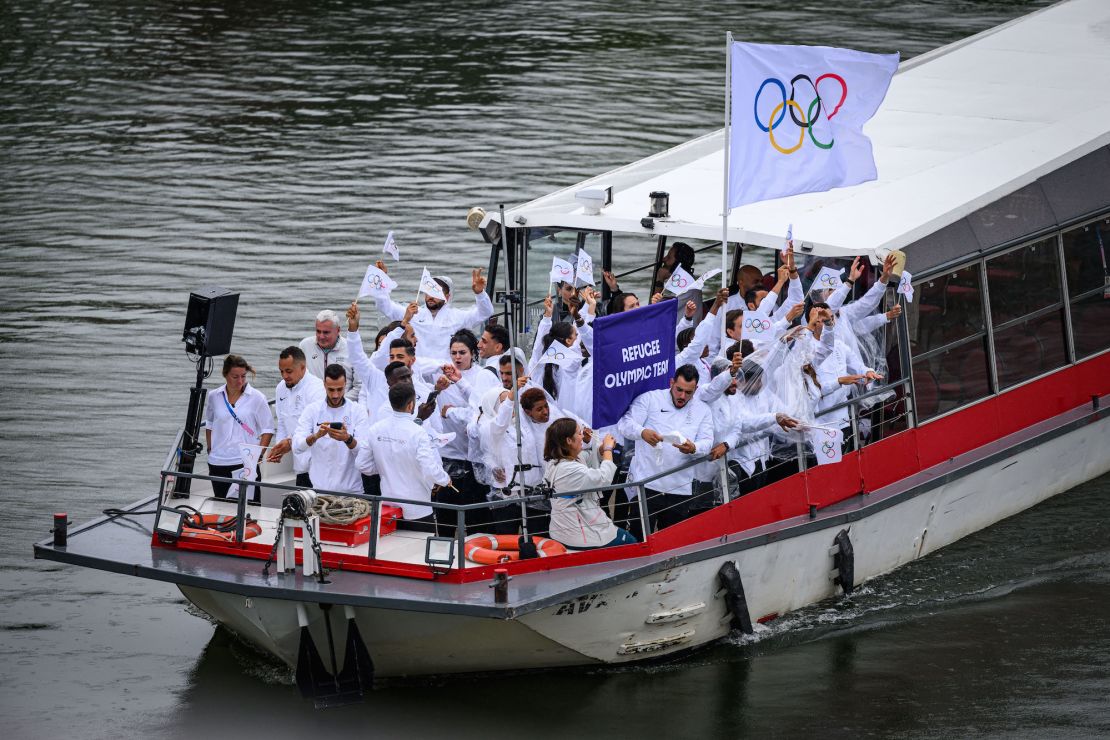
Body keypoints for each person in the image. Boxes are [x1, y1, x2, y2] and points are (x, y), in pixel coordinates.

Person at [616, 364, 713, 533]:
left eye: (688, 392)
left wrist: (694, 447)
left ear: (696, 389)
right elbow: (624, 424)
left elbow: (707, 442)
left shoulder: (703, 410)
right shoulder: (650, 399)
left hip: (680, 489)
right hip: (646, 485)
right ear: (671, 382)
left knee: (672, 543)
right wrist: (642, 432)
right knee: (639, 538)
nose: (682, 396)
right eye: (679, 389)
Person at [357, 383, 451, 533]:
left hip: (389, 507)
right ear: (411, 405)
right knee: (420, 555)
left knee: (391, 554)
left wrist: (384, 468)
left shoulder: (375, 429)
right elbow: (428, 467)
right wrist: (445, 479)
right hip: (418, 509)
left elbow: (362, 464)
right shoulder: (418, 432)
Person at [543, 418, 637, 550]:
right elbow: (604, 478)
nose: (582, 436)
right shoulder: (568, 470)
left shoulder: (558, 460)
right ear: (569, 441)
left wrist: (601, 448)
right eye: (579, 433)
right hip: (579, 532)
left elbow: (589, 456)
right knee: (631, 543)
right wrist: (608, 449)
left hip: (567, 527)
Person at [371, 263, 493, 362]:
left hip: (447, 375)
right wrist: (382, 279)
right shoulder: (413, 313)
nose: (430, 297)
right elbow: (384, 306)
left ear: (447, 296)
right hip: (417, 373)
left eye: (436, 293)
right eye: (428, 292)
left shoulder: (457, 317)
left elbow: (485, 312)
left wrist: (480, 293)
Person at [204, 355, 274, 502]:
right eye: (235, 377)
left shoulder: (257, 398)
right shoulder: (214, 396)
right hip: (218, 462)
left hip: (244, 462)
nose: (240, 381)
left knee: (249, 508)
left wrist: (257, 456)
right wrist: (211, 449)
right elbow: (209, 423)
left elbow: (267, 430)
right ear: (225, 374)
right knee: (221, 506)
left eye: (243, 376)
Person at [292, 364, 370, 494]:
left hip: (352, 492)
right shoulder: (312, 410)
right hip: (319, 491)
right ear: (324, 385)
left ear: (345, 384)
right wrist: (316, 436)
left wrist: (347, 439)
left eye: (340, 389)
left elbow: (364, 452)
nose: (335, 395)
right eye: (331, 390)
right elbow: (297, 447)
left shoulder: (357, 411)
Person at [266, 346, 324, 487]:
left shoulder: (316, 389)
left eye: (289, 371)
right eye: (281, 371)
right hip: (300, 466)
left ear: (303, 367)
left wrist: (290, 443)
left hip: (319, 465)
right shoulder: (280, 388)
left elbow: (318, 430)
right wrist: (280, 448)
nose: (285, 376)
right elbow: (282, 423)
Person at [299, 309, 358, 401]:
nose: (321, 336)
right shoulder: (304, 346)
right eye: (318, 331)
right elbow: (298, 380)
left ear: (338, 330)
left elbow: (360, 387)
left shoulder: (352, 349)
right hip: (312, 407)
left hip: (343, 407)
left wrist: (338, 402)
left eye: (326, 332)